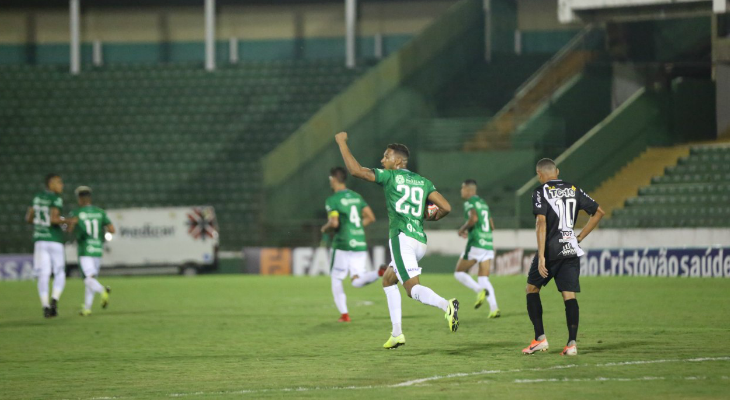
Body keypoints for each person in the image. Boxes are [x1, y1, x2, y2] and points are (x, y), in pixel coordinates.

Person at [334, 132, 458, 349]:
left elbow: (355, 171)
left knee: (412, 290)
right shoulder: (424, 182)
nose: (382, 160)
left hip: (402, 239)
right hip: (419, 240)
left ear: (399, 161)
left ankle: (445, 305)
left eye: (386, 156)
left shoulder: (390, 177)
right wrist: (429, 216)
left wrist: (341, 142)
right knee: (388, 280)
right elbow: (446, 207)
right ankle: (397, 333)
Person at [522, 158, 604, 356]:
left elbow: (541, 223)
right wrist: (580, 237)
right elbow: (599, 212)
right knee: (569, 295)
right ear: (557, 172)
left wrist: (541, 256)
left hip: (550, 250)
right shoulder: (574, 189)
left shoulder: (540, 192)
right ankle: (572, 344)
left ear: (539, 175)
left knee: (532, 289)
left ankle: (540, 338)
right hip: (570, 249)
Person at [321, 167, 381, 322]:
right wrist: (356, 227)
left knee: (336, 277)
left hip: (342, 243)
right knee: (356, 280)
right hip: (359, 241)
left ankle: (344, 315)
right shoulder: (356, 197)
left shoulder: (333, 200)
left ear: (333, 179)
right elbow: (371, 217)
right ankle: (379, 273)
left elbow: (334, 223)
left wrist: (325, 229)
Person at [25, 173, 76, 318]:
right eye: (59, 182)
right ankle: (54, 300)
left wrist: (41, 222)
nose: (62, 185)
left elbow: (29, 218)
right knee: (59, 272)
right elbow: (54, 219)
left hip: (40, 240)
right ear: (51, 184)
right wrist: (68, 220)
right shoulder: (56, 198)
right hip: (54, 240)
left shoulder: (36, 197)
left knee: (43, 274)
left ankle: (45, 306)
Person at [454, 179, 500, 317]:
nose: (461, 191)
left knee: (459, 272)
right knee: (484, 278)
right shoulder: (483, 203)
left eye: (462, 189)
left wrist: (462, 229)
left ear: (469, 190)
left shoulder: (470, 202)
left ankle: (479, 290)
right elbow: (492, 226)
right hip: (488, 243)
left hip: (476, 243)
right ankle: (494, 309)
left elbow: (473, 219)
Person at [68, 186, 114, 316]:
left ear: (80, 199)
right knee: (92, 278)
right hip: (97, 249)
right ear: (89, 198)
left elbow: (69, 228)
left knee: (87, 279)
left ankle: (102, 290)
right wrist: (101, 231)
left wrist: (67, 224)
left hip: (85, 249)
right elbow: (112, 229)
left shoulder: (76, 213)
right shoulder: (100, 212)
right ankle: (87, 308)